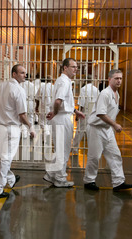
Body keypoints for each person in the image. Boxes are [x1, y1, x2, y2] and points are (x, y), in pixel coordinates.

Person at [83, 69, 132, 191]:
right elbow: (101, 113)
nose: (119, 80)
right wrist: (115, 125)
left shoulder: (117, 94)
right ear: (109, 79)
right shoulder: (105, 94)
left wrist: (112, 126)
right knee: (94, 156)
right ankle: (89, 181)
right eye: (116, 78)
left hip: (106, 129)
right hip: (96, 129)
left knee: (115, 155)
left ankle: (118, 182)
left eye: (121, 78)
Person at [0, 64, 35, 198]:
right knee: (6, 158)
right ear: (14, 74)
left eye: (25, 73)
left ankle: (10, 179)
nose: (24, 75)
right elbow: (22, 115)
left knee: (4, 157)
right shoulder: (18, 90)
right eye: (21, 73)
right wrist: (30, 126)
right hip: (11, 128)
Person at [43, 58, 86, 188]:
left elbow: (64, 102)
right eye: (73, 67)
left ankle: (51, 174)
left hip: (62, 116)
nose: (76, 69)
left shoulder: (64, 81)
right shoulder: (64, 81)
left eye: (77, 67)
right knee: (63, 150)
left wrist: (75, 111)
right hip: (62, 118)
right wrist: (55, 112)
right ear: (65, 68)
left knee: (60, 149)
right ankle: (60, 179)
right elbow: (58, 101)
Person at [71, 76, 100, 154]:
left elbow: (81, 103)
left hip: (85, 113)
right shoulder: (96, 89)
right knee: (93, 131)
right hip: (94, 113)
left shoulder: (84, 89)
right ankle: (94, 149)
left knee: (80, 130)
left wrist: (78, 114)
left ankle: (75, 148)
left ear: (85, 81)